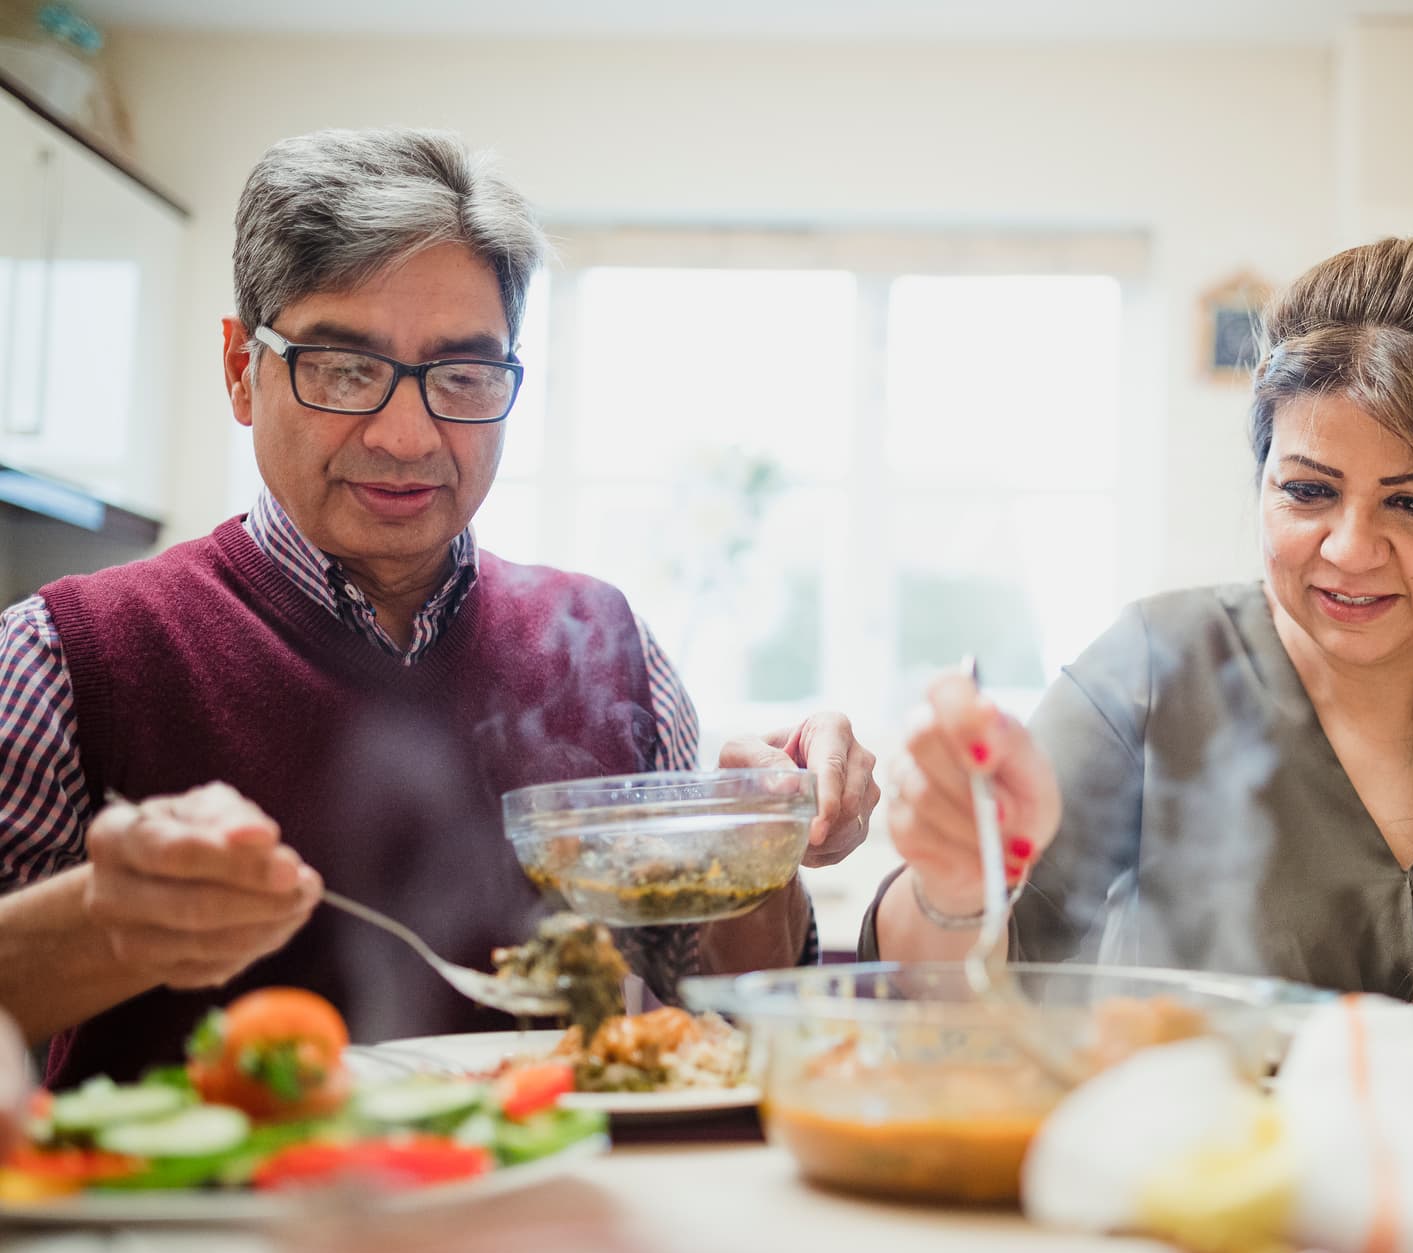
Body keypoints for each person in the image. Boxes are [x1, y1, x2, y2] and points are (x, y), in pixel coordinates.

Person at [0, 129, 877, 1084]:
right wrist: (107, 924)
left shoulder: (611, 644)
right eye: (343, 367)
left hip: (552, 1218)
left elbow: (711, 1006)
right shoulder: (67, 657)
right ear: (239, 370)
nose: (409, 434)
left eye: (462, 376)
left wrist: (756, 841)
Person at [868, 237, 1413, 1074]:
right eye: (1308, 491)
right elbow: (942, 1016)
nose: (1350, 548)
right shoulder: (1150, 676)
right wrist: (952, 889)